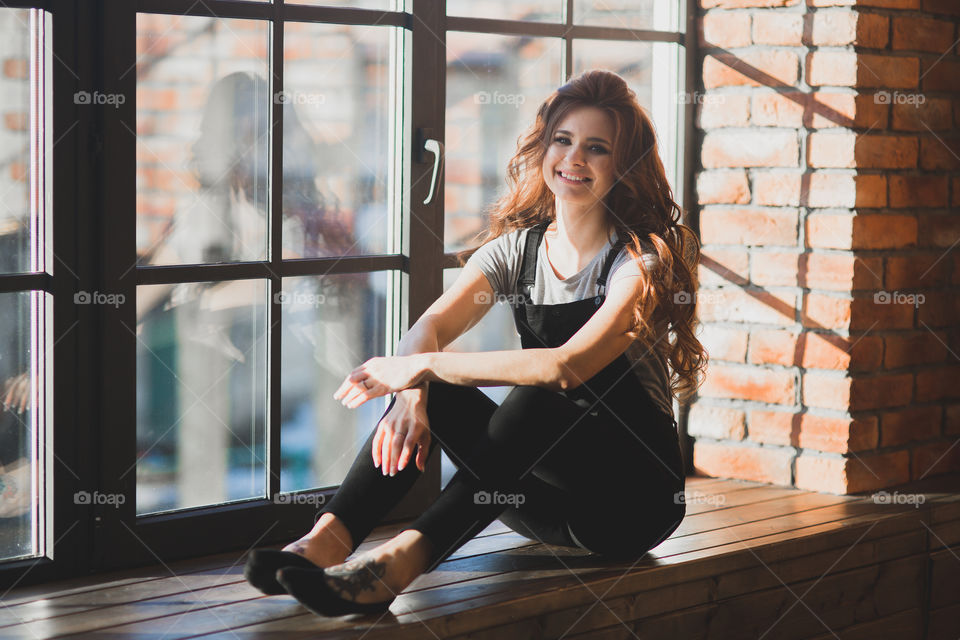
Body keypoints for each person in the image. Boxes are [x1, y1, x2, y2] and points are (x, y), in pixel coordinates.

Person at [244, 68, 708, 617]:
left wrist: (423, 369)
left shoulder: (636, 261)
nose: (574, 158)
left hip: (632, 503)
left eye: (597, 148)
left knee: (536, 391)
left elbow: (566, 367)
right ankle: (328, 538)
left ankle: (396, 565)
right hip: (538, 500)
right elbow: (428, 328)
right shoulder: (517, 252)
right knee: (434, 390)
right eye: (563, 140)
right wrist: (415, 393)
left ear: (622, 168)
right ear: (544, 148)